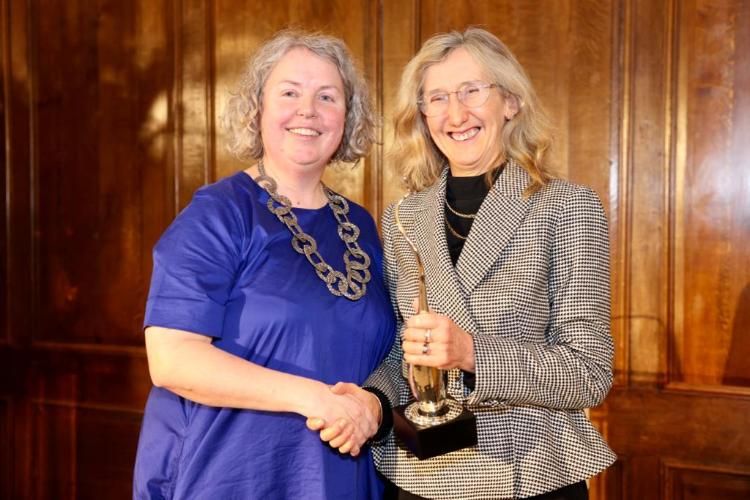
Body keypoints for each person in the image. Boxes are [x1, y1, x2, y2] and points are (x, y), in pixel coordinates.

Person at [313, 27, 616, 499]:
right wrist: (370, 401)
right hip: (419, 477)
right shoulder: (403, 217)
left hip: (529, 474)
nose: (456, 114)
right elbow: (404, 353)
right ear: (423, 114)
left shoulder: (566, 207)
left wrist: (472, 353)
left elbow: (588, 373)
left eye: (472, 91)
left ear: (510, 101)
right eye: (437, 98)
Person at [132, 29, 396, 500]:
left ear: (347, 118)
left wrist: (372, 409)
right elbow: (171, 359)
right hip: (231, 475)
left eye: (327, 96)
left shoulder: (360, 225)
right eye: (289, 92)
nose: (308, 110)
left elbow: (386, 354)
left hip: (344, 476)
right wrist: (313, 398)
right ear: (257, 109)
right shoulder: (218, 213)